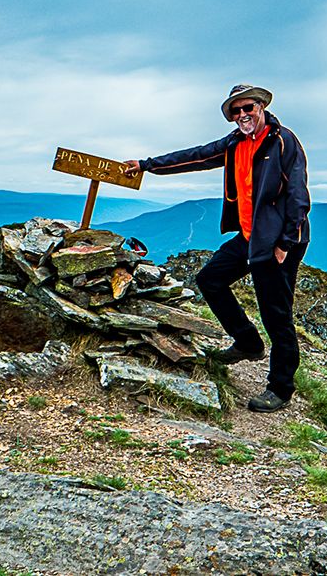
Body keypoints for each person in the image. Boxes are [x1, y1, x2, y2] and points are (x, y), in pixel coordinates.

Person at [123, 84, 311, 412]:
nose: (242, 115)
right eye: (235, 111)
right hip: (252, 237)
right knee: (210, 279)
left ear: (261, 106)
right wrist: (146, 164)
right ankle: (248, 342)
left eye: (247, 108)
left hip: (281, 241)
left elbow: (298, 194)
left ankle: (281, 388)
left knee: (276, 313)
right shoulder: (233, 144)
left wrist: (285, 243)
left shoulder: (283, 140)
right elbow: (194, 157)